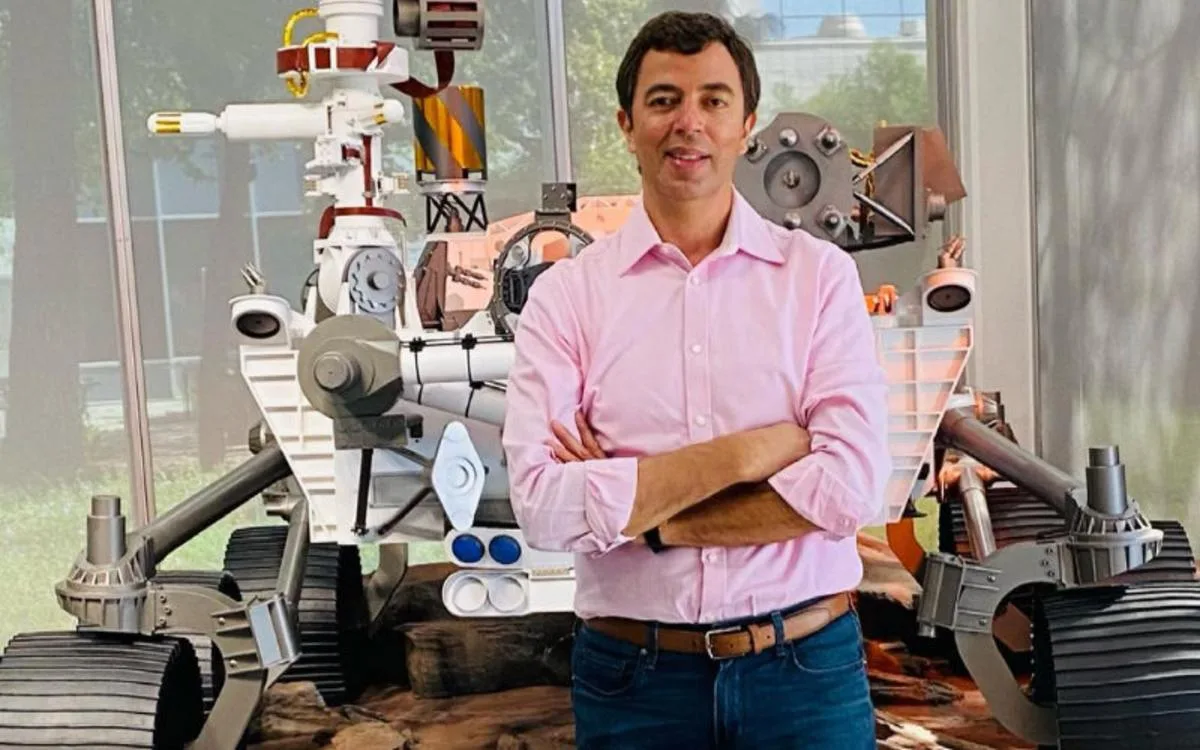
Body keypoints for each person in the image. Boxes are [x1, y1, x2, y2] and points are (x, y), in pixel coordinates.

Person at [501, 10, 890, 749]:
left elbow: (849, 489)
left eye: (713, 100)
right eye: (663, 100)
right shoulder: (569, 297)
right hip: (635, 682)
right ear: (627, 125)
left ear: (746, 125)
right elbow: (546, 508)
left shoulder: (818, 280)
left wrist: (647, 516)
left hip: (804, 673)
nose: (689, 122)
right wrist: (749, 454)